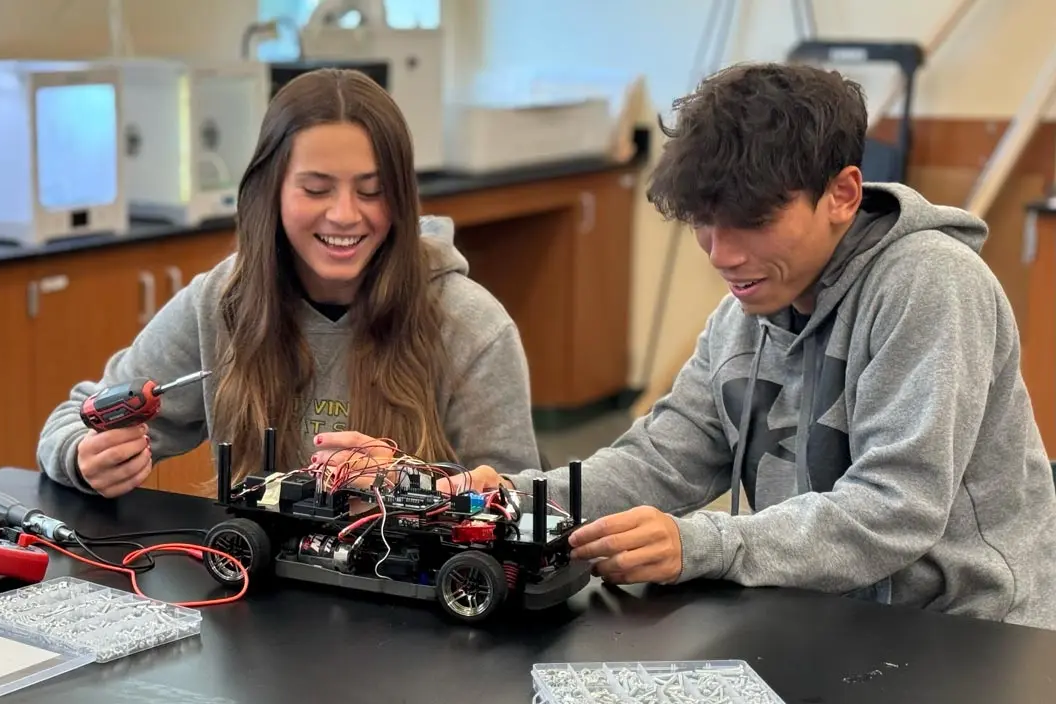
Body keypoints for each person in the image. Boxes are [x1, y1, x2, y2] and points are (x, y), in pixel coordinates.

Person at [323, 62, 1056, 629]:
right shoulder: (751, 305)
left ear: (841, 193)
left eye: (751, 222)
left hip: (970, 641)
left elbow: (895, 507)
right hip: (824, 614)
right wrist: (511, 504)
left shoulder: (931, 283)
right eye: (706, 223)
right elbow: (664, 457)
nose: (720, 253)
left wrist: (709, 543)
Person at [36, 68, 542, 498]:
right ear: (269, 192)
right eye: (316, 189)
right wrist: (82, 457)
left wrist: (407, 487)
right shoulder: (220, 304)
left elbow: (518, 498)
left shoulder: (472, 325)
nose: (345, 215)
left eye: (373, 191)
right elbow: (76, 417)